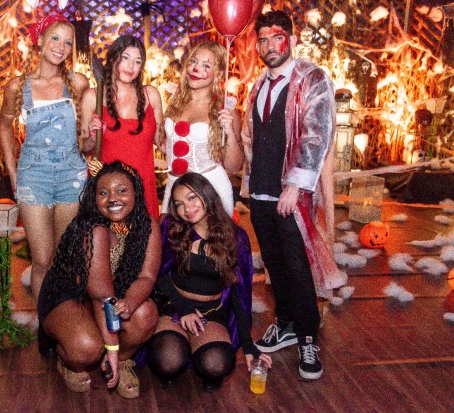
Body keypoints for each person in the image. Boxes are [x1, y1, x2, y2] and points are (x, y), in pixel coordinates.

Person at [241, 10, 347, 380]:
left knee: (298, 266)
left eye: (277, 38)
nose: (270, 46)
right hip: (260, 191)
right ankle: (285, 323)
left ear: (292, 40)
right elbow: (254, 137)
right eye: (264, 40)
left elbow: (318, 134)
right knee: (275, 263)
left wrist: (295, 185)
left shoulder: (312, 78)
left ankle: (307, 337)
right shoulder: (258, 84)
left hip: (291, 194)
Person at [37, 161, 161, 398]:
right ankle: (68, 360)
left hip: (109, 296)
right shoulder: (93, 229)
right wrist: (111, 347)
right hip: (69, 297)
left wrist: (129, 303)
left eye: (121, 190)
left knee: (145, 313)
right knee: (86, 348)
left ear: (136, 192)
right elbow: (101, 296)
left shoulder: (148, 225)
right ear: (94, 199)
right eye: (103, 193)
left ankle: (121, 362)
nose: (113, 198)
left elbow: (146, 276)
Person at [148, 172, 272, 391]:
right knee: (167, 362)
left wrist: (249, 346)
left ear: (207, 194)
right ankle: (181, 347)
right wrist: (183, 308)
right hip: (174, 304)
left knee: (216, 365)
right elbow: (157, 275)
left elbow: (239, 294)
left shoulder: (236, 237)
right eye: (179, 204)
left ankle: (196, 349)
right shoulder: (171, 228)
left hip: (211, 312)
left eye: (191, 198)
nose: (186, 208)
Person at [0, 13, 90, 301]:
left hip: (71, 175)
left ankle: (64, 317)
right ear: (40, 40)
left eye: (68, 42)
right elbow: (4, 125)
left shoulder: (78, 83)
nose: (61, 47)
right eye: (55, 38)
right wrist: (12, 171)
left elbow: (88, 134)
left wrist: (91, 136)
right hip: (34, 175)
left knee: (64, 256)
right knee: (41, 259)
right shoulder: (17, 86)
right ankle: (45, 323)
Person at [82, 35, 164, 220]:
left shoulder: (151, 95)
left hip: (142, 188)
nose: (131, 66)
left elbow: (162, 143)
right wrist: (93, 138)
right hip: (106, 190)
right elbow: (83, 147)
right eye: (125, 58)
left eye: (137, 61)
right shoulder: (92, 97)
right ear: (112, 58)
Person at [160, 40, 244, 217]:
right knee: (168, 232)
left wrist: (229, 132)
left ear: (218, 73)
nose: (196, 68)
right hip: (174, 186)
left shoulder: (225, 109)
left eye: (206, 65)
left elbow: (234, 167)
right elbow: (164, 145)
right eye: (193, 61)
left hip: (210, 189)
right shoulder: (174, 102)